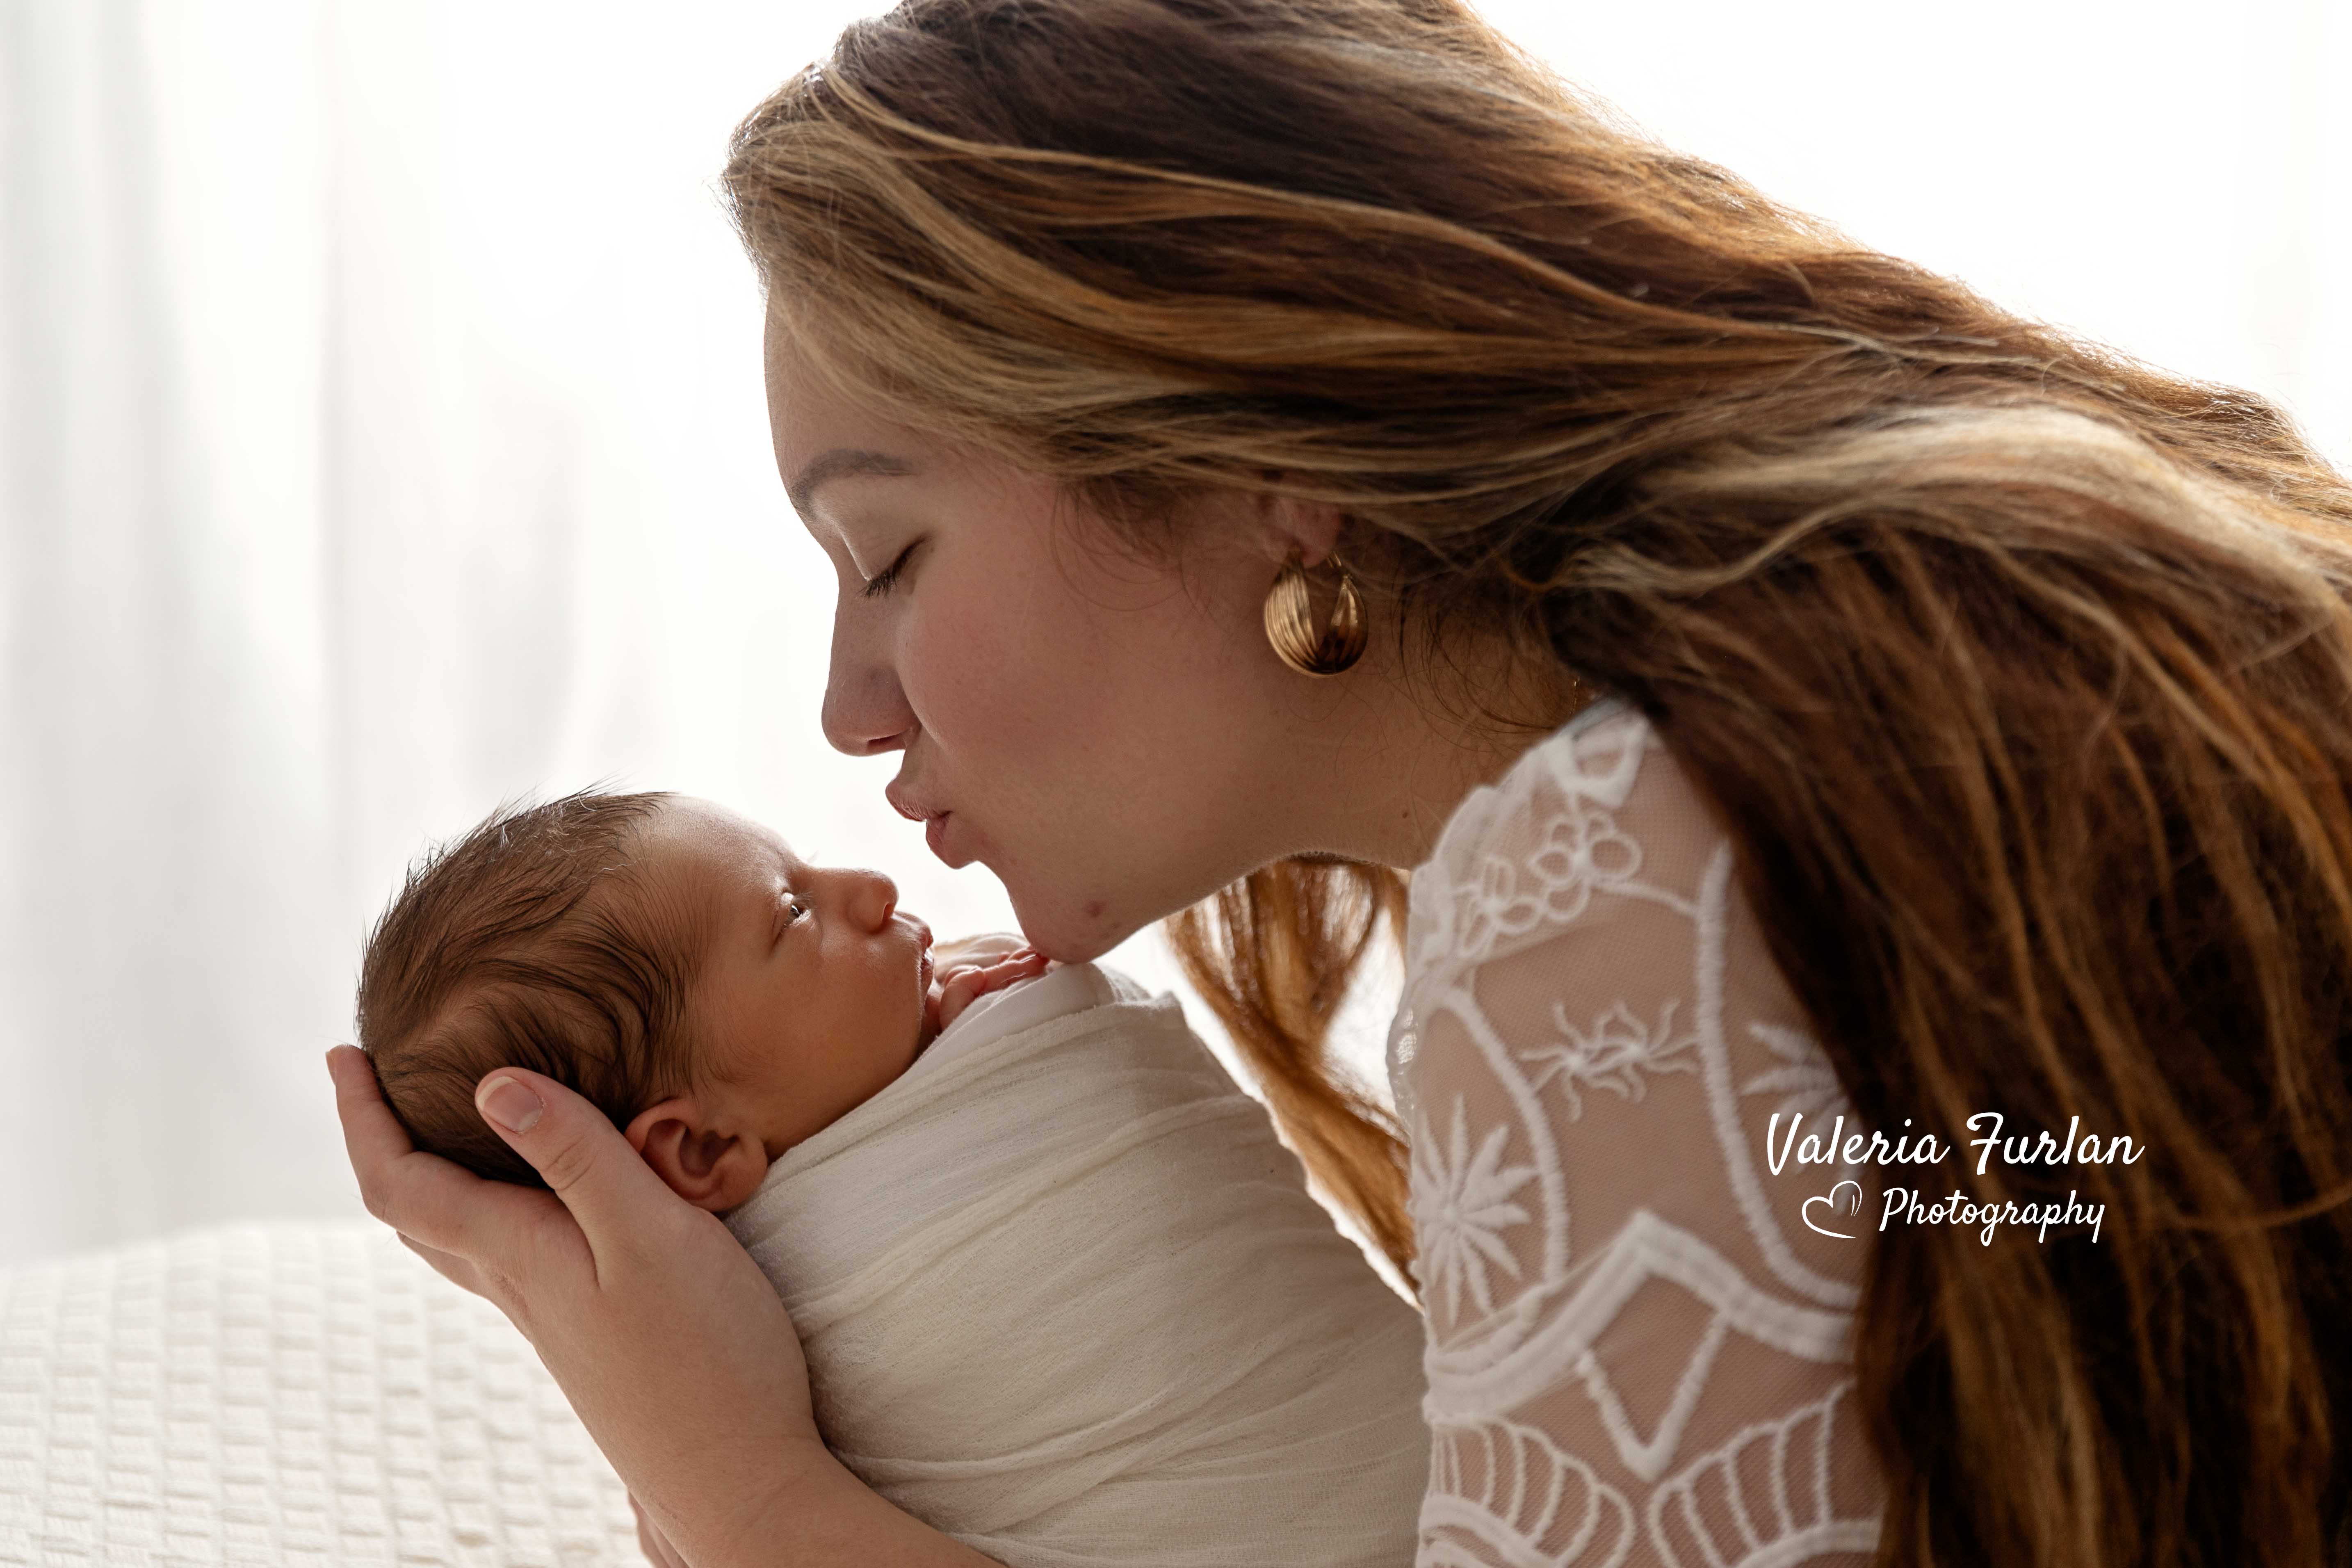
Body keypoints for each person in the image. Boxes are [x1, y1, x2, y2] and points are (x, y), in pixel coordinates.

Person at [327, 0, 2352, 1563]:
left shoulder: (1614, 885)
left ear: (1250, 445)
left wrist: (736, 1482)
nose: (852, 705)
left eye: (888, 555)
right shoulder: (1756, 745)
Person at [350, 788, 1430, 1565]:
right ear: (699, 1153)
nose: (868, 889)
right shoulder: (766, 1293)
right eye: (792, 915)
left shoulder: (980, 1047)